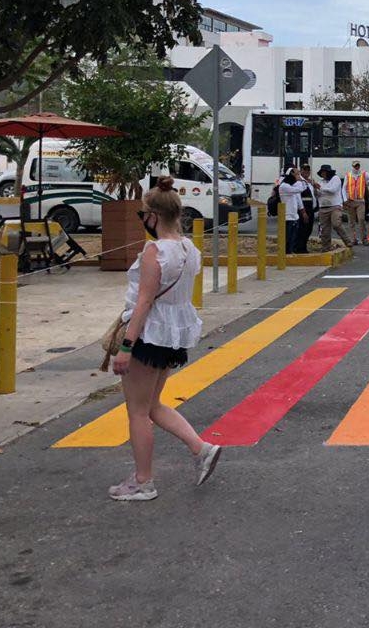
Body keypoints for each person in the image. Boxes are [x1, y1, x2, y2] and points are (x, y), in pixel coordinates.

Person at [109, 177, 221, 501]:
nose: (142, 221)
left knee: (138, 412)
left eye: (143, 214)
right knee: (152, 405)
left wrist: (125, 348)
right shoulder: (189, 249)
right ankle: (201, 449)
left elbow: (143, 302)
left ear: (153, 216)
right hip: (172, 336)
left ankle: (143, 481)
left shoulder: (154, 252)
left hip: (148, 335)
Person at [316, 164, 352, 250]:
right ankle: (326, 247)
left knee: (336, 224)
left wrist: (320, 188)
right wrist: (318, 189)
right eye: (322, 173)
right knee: (325, 229)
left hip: (335, 206)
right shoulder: (321, 181)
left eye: (324, 173)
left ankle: (347, 240)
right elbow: (318, 193)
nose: (323, 175)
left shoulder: (335, 179)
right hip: (323, 207)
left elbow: (333, 190)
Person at [278, 167, 304, 254]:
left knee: (293, 237)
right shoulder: (284, 186)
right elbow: (300, 189)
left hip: (294, 216)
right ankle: (285, 253)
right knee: (287, 238)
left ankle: (290, 251)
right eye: (296, 174)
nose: (298, 176)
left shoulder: (291, 186)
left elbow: (301, 189)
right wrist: (300, 180)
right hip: (287, 216)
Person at [345, 161, 369, 245]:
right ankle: (353, 239)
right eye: (355, 166)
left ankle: (364, 239)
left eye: (358, 165)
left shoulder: (363, 174)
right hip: (350, 201)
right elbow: (344, 188)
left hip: (360, 201)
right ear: (352, 166)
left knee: (361, 219)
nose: (357, 167)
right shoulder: (348, 175)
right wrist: (345, 199)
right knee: (351, 221)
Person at [296, 163, 317, 254]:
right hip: (304, 209)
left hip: (311, 209)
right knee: (303, 229)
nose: (306, 172)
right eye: (304, 170)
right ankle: (300, 248)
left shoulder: (310, 182)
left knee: (308, 229)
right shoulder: (299, 182)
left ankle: (303, 247)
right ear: (301, 171)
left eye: (308, 170)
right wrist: (303, 211)